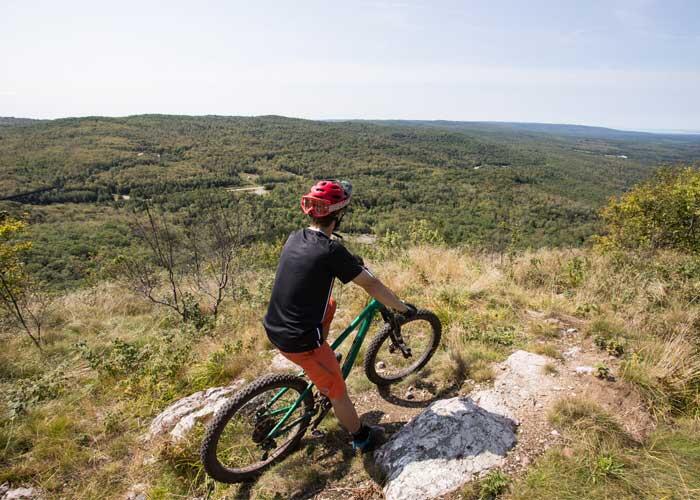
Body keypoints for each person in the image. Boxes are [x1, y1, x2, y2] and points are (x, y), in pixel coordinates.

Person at [263, 179, 415, 453]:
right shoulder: (332, 251)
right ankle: (360, 437)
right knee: (338, 391)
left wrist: (348, 261)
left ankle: (326, 358)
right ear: (338, 215)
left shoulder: (296, 236)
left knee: (329, 303)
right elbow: (371, 285)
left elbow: (318, 261)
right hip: (301, 342)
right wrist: (402, 308)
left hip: (274, 324)